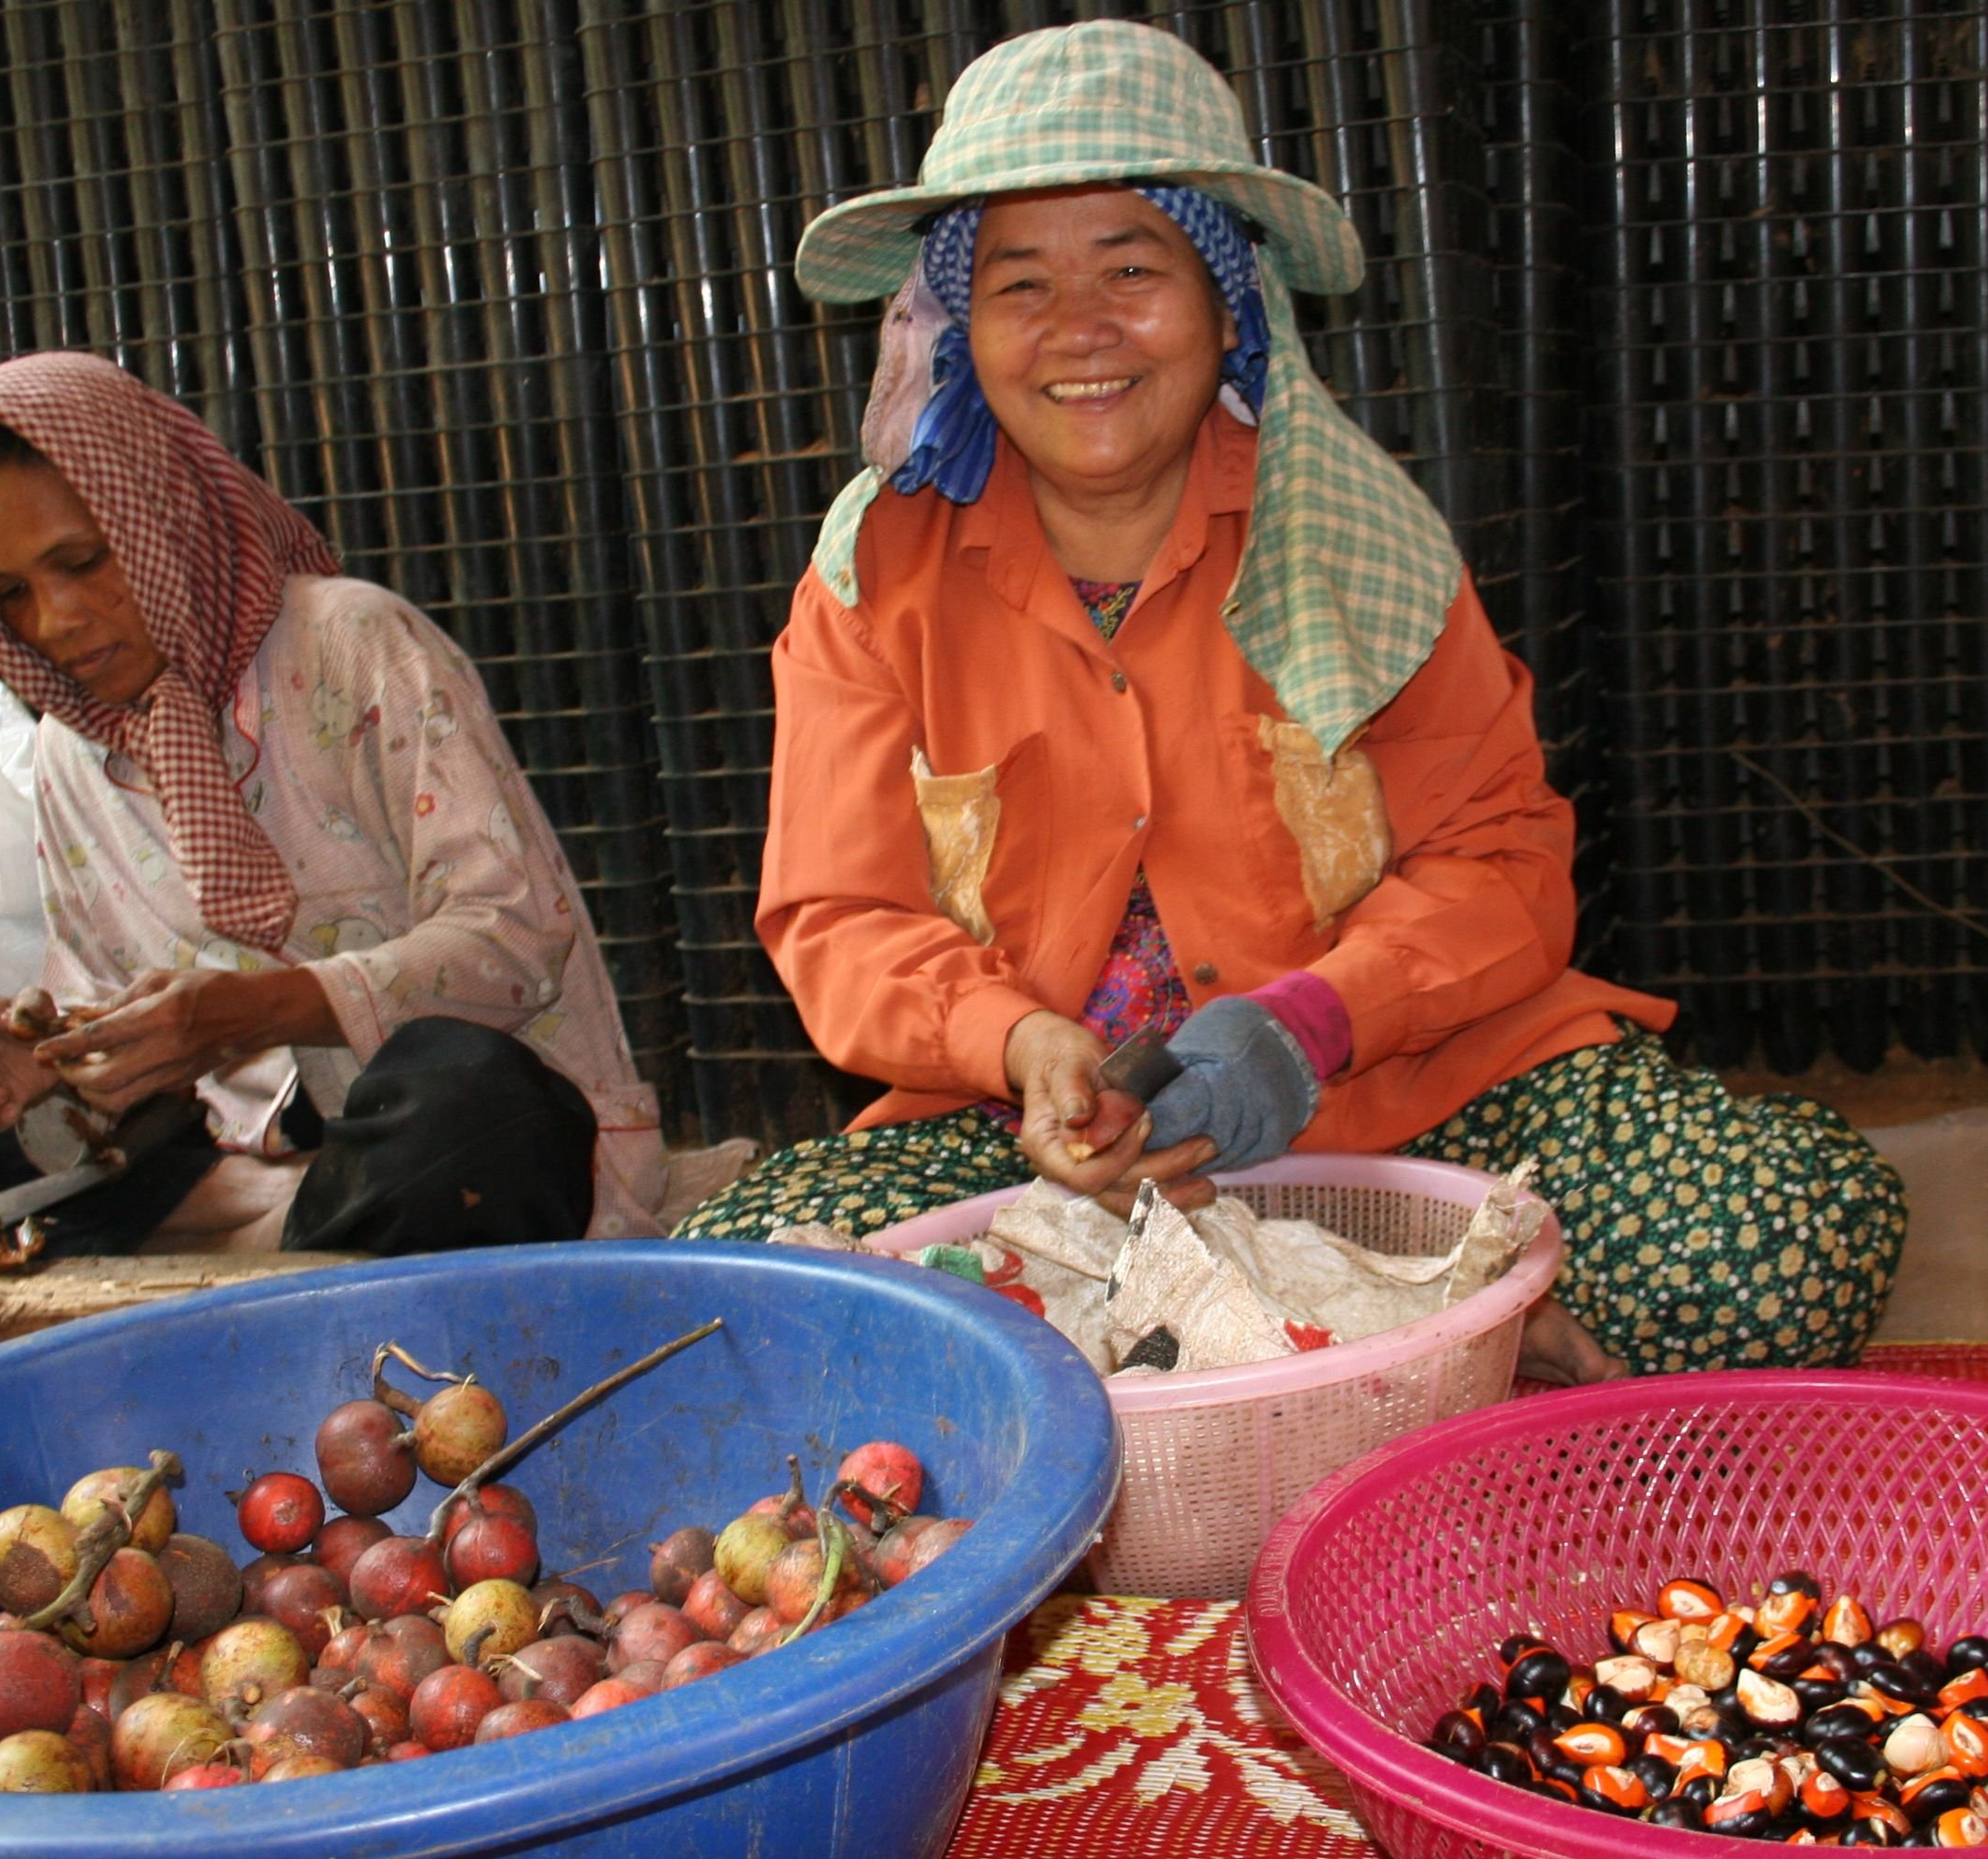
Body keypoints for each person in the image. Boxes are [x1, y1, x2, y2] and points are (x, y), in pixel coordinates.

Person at [674, 21, 1905, 1380]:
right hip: (1043, 1144)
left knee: (1770, 1244)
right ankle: (1434, 1337)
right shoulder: (873, 577)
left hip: (1416, 1096)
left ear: (1228, 301)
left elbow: (1502, 864)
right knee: (747, 1317)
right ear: (964, 327)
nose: (1081, 331)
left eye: (1134, 268)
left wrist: (1309, 1024)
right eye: (1021, 283)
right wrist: (1019, 1043)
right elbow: (839, 916)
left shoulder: (1358, 538)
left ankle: (1311, 1329)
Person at [0, 351, 665, 1260]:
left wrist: (251, 1011)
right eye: (9, 594)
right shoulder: (72, 742)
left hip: (416, 1134)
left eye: (80, 561)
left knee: (478, 1108)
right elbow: (117, 1052)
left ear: (164, 517)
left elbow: (514, 936)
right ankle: (270, 1219)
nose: (53, 621)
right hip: (211, 1151)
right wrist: (46, 1074)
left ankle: (248, 1232)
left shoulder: (350, 643)